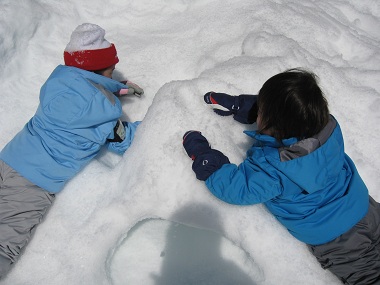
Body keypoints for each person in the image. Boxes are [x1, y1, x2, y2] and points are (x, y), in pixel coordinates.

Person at [182, 69, 380, 285]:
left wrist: (204, 156)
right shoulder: (327, 128)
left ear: (273, 124)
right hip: (367, 209)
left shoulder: (274, 168)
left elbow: (237, 188)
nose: (257, 114)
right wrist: (241, 106)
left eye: (260, 112)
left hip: (339, 239)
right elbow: (291, 112)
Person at [0, 23, 143, 278]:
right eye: (110, 71)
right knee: (5, 243)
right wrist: (162, 123)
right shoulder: (103, 115)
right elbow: (124, 139)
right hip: (34, 181)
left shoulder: (58, 84)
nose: (111, 74)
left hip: (10, 157)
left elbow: (83, 91)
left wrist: (116, 88)